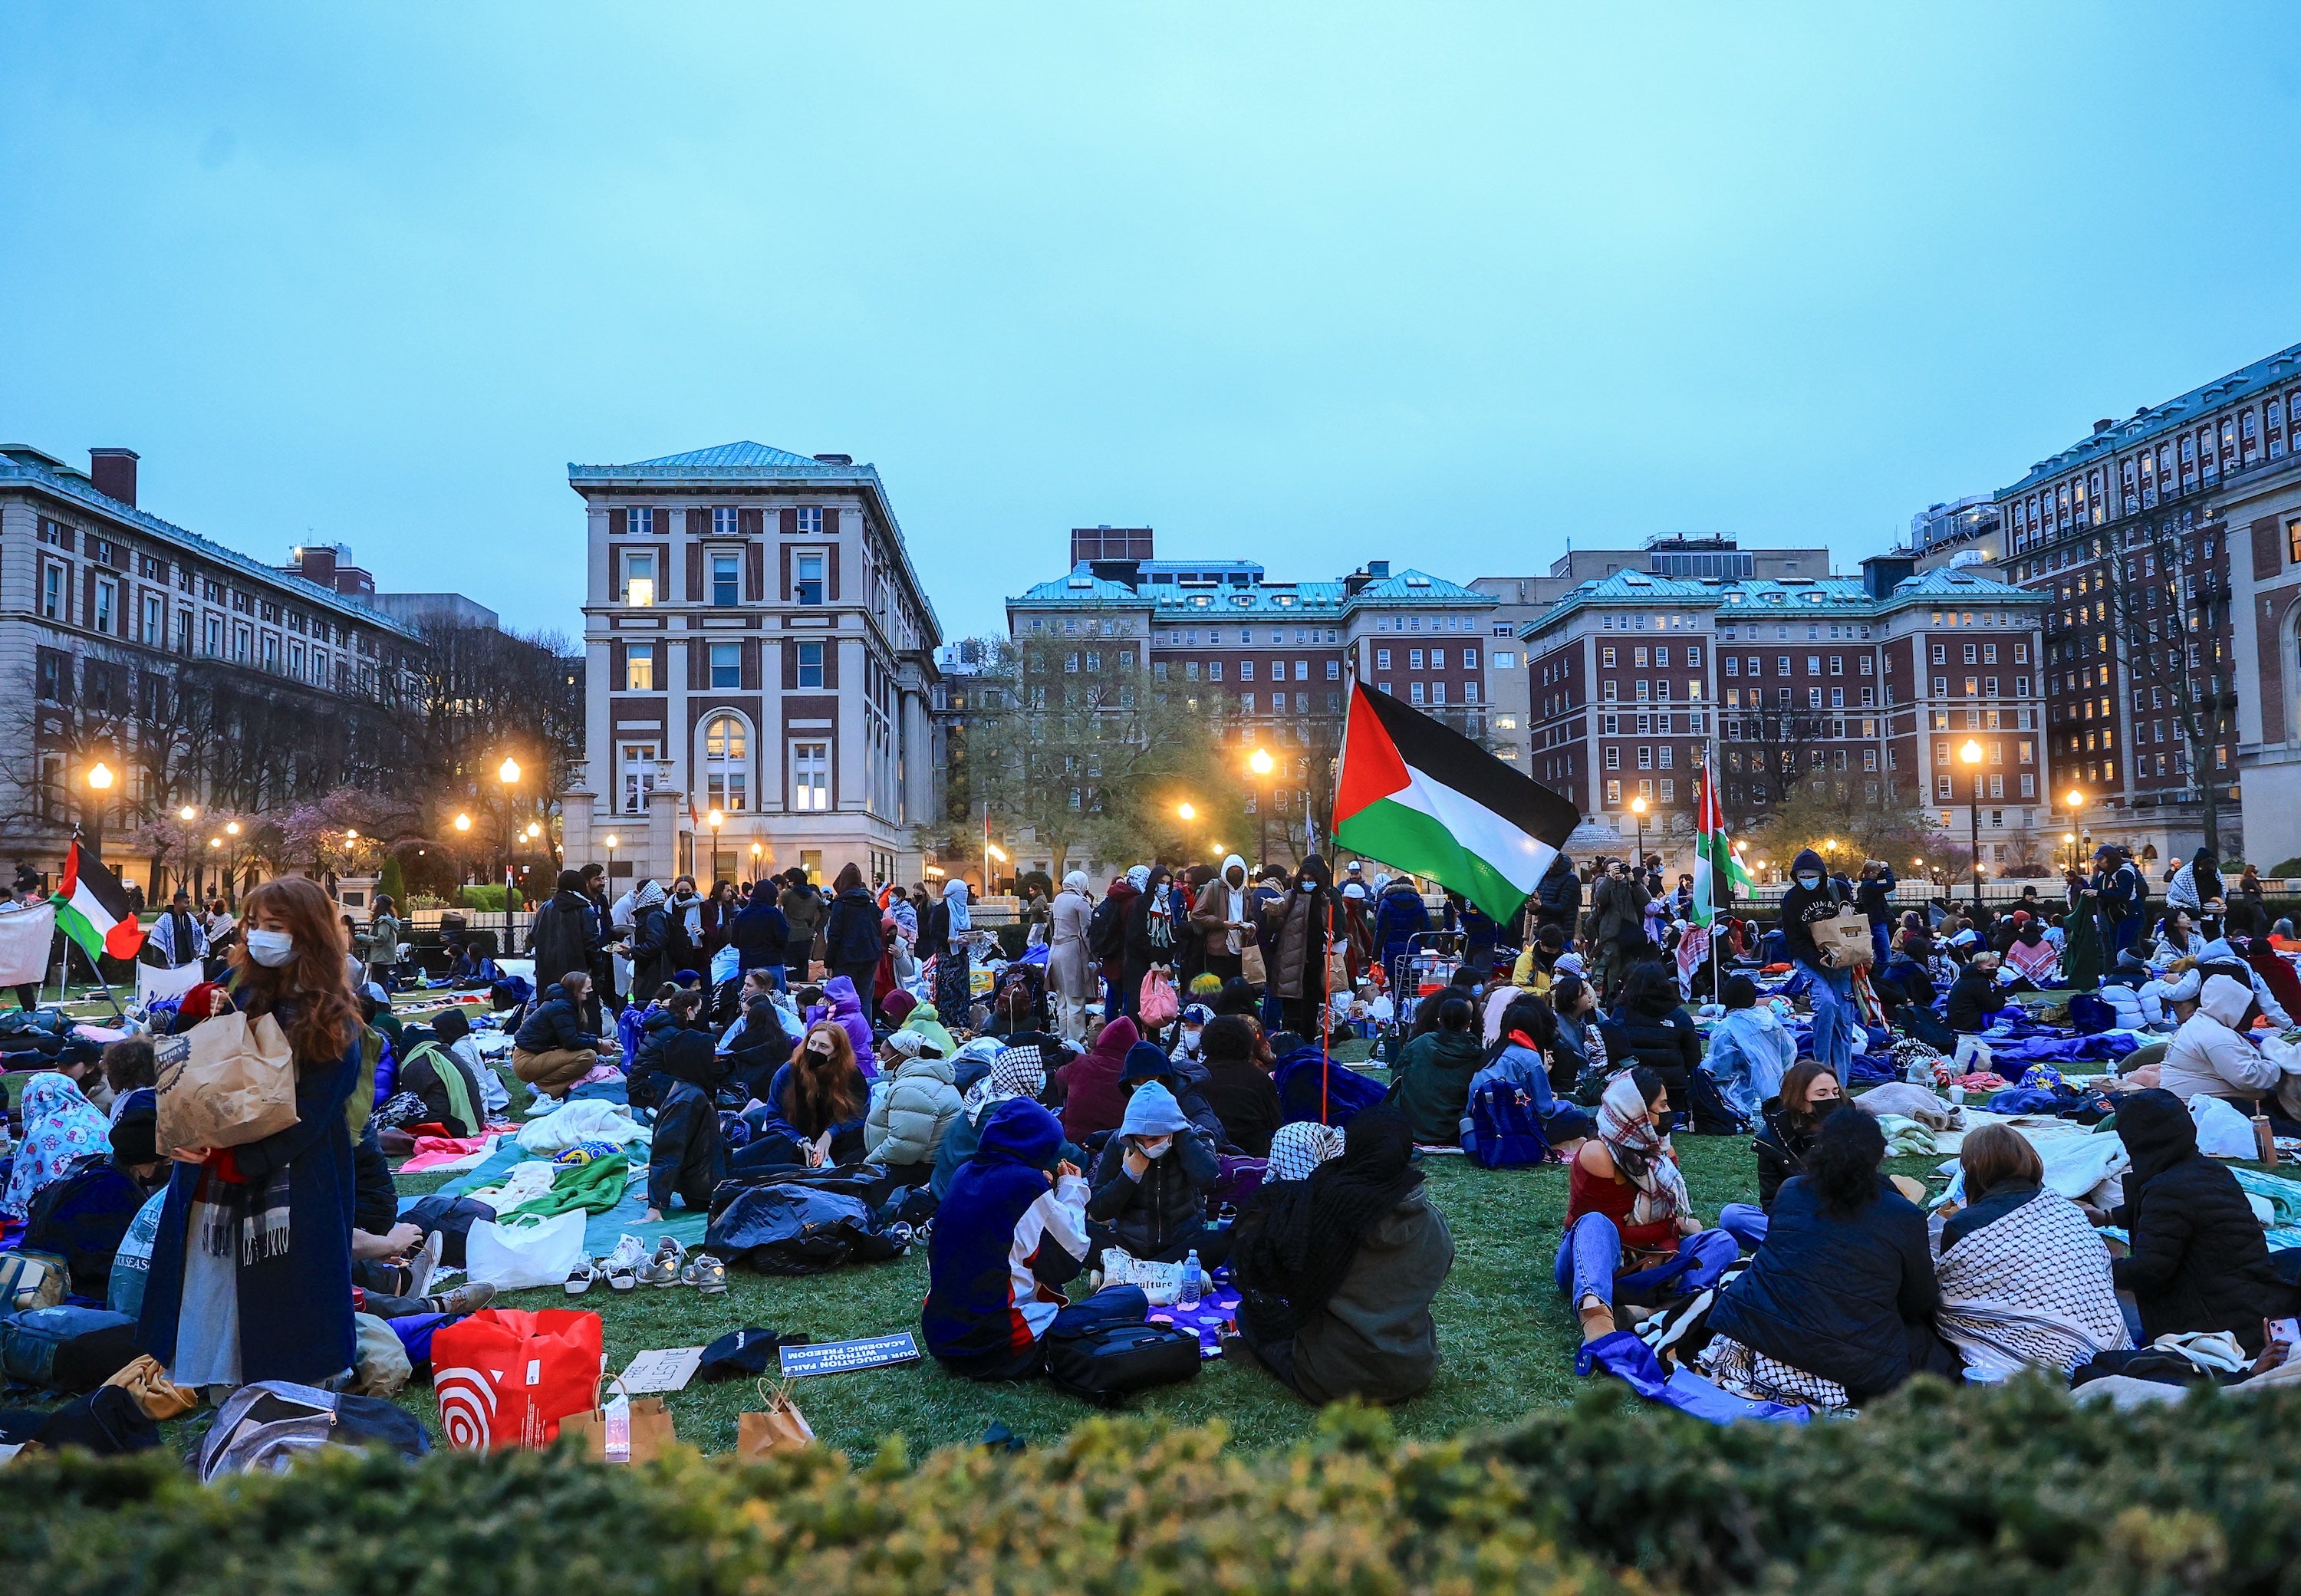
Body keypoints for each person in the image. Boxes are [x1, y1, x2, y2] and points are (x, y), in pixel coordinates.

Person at [137, 876, 363, 1390]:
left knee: (287, 1322)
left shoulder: (331, 1014)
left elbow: (316, 1110)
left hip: (290, 1191)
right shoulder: (234, 987)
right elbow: (192, 1073)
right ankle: (227, 1412)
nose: (260, 935)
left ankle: (286, 1418)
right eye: (254, 924)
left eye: (274, 926)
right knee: (212, 1306)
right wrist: (184, 1130)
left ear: (306, 933)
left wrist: (246, 1159)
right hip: (209, 1190)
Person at [1702, 1108, 1957, 1409]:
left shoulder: (1792, 1191)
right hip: (1848, 1359)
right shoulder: (1904, 1215)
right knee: (1940, 1359)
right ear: (1879, 1155)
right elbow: (1918, 1301)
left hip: (1760, 1332)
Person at [1227, 1104, 1453, 1404]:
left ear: (1352, 1148)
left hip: (1333, 1382)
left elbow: (1276, 1277)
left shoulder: (1321, 1212)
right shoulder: (1433, 1222)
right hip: (1412, 1372)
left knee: (1249, 1315)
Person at [2109, 1088, 2293, 1354]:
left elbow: (2149, 1270)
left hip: (2215, 1326)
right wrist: (2108, 1217)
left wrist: (2098, 1267)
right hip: (2252, 1303)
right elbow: (2173, 1219)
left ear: (2137, 1140)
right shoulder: (2209, 1171)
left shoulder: (2167, 1188)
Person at [920, 1097, 1090, 1380]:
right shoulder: (1026, 1184)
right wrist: (1072, 1190)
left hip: (942, 1341)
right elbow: (1069, 1261)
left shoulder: (964, 1173)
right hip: (1000, 1350)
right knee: (1126, 1300)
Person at [1555, 1070, 1722, 1342]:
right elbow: (1615, 1233)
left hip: (1652, 1261)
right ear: (1638, 1112)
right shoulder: (1599, 1154)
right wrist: (1673, 1225)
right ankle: (1597, 1318)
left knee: (1720, 1240)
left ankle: (1655, 1309)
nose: (1670, 1111)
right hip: (1596, 1263)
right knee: (1594, 1223)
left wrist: (1668, 1232)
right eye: (1663, 1105)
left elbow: (1660, 1228)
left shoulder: (1661, 1151)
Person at [1086, 1080, 1221, 1266]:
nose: (1148, 1146)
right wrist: (1129, 1175)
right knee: (1083, 1234)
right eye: (1141, 1140)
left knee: (1223, 1239)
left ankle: (1133, 1270)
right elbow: (1098, 1211)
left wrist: (1181, 1137)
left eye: (1155, 1139)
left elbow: (1208, 1179)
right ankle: (1161, 1271)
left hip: (1182, 1243)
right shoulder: (1119, 1143)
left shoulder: (1193, 1136)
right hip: (1130, 1244)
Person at [1461, 992, 1596, 1154]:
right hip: (1514, 1128)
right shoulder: (1530, 1058)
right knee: (1579, 1118)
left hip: (1484, 1128)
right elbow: (1545, 1111)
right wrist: (1567, 1104)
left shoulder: (1491, 1053)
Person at [933, 1042, 1055, 1200]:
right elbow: (1054, 1147)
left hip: (946, 1180)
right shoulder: (1009, 1108)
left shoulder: (986, 1092)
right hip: (963, 1191)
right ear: (1021, 1076)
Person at [1778, 847, 1858, 1081]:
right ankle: (1820, 1070)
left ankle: (1840, 1083)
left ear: (1822, 875)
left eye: (1812, 876)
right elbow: (1794, 940)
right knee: (1825, 1005)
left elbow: (1851, 923)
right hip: (1811, 961)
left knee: (1844, 1020)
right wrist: (1816, 958)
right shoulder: (1792, 900)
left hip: (1841, 961)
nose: (1807, 881)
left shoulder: (1838, 889)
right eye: (1802, 876)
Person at [640, 1032, 727, 1240]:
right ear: (698, 1060)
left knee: (774, 1147)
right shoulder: (689, 1098)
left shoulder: (694, 1090)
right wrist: (657, 1203)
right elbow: (668, 1150)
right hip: (707, 1190)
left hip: (712, 1173)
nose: (720, 1061)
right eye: (714, 1056)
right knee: (785, 1171)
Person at [749, 1020, 871, 1169]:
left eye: (823, 1046)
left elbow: (859, 1115)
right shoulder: (789, 1072)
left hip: (837, 1143)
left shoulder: (852, 1075)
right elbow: (775, 1116)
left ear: (837, 1052)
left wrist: (830, 1134)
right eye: (812, 1043)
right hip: (796, 1140)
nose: (815, 1050)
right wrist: (800, 1141)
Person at [1598, 960, 1704, 1122]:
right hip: (1672, 1089)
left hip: (1632, 1087)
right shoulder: (1679, 1015)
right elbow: (1693, 1056)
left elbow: (1613, 1049)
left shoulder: (1622, 1012)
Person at [1, 1071, 111, 1221]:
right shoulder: (97, 1117)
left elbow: (23, 1189)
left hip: (61, 1210)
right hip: (108, 1197)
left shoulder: (41, 1134)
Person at [865, 1028, 963, 1186]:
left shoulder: (912, 1089)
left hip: (917, 1171)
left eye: (883, 1056)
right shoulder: (924, 1080)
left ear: (900, 1058)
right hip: (923, 1165)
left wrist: (866, 1164)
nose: (879, 1061)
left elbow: (902, 1148)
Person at [1390, 995, 1486, 1147]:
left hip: (1414, 1127)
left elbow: (1396, 1079)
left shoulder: (1419, 1044)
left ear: (1439, 1021)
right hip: (1456, 1130)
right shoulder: (1477, 1054)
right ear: (1469, 1023)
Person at [1260, 856, 1337, 1038]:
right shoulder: (1291, 897)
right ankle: (1290, 1041)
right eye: (1304, 880)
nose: (1307, 883)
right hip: (1292, 959)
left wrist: (1330, 933)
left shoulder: (1323, 900)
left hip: (1314, 960)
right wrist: (1272, 914)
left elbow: (1330, 925)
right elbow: (1275, 926)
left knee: (1310, 1006)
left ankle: (1308, 1041)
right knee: (1292, 1007)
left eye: (1311, 880)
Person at [1703, 976, 1795, 1124]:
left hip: (1742, 1098)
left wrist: (1704, 1067)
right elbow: (1789, 1055)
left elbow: (1720, 1070)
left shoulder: (1725, 1029)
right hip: (1777, 1093)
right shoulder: (1770, 1021)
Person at [510, 971, 608, 1100]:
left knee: (588, 1055)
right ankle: (542, 1087)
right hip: (527, 1060)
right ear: (577, 989)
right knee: (588, 1056)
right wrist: (598, 1044)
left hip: (533, 1055)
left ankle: (546, 1087)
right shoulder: (561, 1007)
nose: (590, 991)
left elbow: (571, 1034)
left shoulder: (563, 1004)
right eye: (588, 988)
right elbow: (571, 1042)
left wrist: (597, 1040)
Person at [1195, 1013, 1282, 1157]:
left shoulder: (1195, 1077)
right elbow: (1276, 1122)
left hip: (1205, 1153)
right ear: (1247, 1044)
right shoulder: (1259, 1079)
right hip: (1253, 1158)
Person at [395, 1019, 490, 1138]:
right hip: (475, 1120)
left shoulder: (417, 1064)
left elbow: (407, 1104)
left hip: (448, 1126)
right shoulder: (453, 1055)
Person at [1053, 1015, 1137, 1143]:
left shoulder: (1080, 1064)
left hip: (1076, 1145)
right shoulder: (1137, 1075)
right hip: (1119, 1146)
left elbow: (1059, 1082)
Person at [821, 864, 884, 1021]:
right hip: (870, 957)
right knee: (864, 1001)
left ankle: (845, 1038)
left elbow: (834, 935)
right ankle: (864, 1038)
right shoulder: (870, 903)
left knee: (843, 1002)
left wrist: (828, 962)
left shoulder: (841, 904)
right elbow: (877, 929)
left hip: (846, 958)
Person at [527, 870, 602, 994]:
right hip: (577, 975)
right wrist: (599, 973)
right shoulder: (584, 910)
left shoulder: (545, 908)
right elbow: (592, 945)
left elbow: (533, 937)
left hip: (546, 973)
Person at [1189, 855, 1256, 989]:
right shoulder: (1214, 887)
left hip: (1241, 949)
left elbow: (1250, 916)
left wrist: (1252, 926)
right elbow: (1197, 914)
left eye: (1239, 871)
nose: (1236, 874)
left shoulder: (1246, 892)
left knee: (1236, 988)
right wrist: (1222, 924)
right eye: (1232, 870)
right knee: (1218, 988)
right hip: (1218, 949)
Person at [1048, 870, 1098, 1042]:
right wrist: (1094, 955)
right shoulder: (1080, 902)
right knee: (1075, 1002)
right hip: (1073, 954)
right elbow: (1087, 932)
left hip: (1055, 952)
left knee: (1061, 1001)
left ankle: (1063, 1039)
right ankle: (1076, 1041)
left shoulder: (1059, 899)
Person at [1944, 949, 2010, 1075]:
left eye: (1995, 966)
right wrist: (2000, 988)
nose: (1994, 969)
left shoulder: (1968, 978)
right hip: (1967, 1023)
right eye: (1990, 966)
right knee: (2011, 1012)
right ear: (1979, 966)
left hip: (1958, 1020)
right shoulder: (1979, 982)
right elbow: (1994, 1005)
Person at [922, 877, 975, 1026]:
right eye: (962, 892)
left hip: (962, 955)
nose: (965, 895)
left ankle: (962, 1020)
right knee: (948, 989)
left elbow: (967, 929)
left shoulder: (963, 910)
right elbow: (934, 933)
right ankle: (947, 1021)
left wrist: (972, 937)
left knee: (962, 989)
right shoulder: (942, 910)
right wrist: (953, 940)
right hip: (947, 956)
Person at [727, 878, 791, 990]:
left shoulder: (742, 915)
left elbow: (734, 942)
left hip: (747, 965)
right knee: (775, 1003)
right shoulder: (774, 914)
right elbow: (784, 938)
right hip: (772, 963)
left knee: (747, 1003)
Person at [1372, 873, 1431, 982]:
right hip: (1413, 950)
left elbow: (1380, 931)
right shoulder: (1418, 903)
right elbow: (1427, 929)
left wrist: (1376, 956)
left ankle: (1398, 1000)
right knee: (1412, 986)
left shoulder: (1386, 903)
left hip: (1392, 951)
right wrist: (1422, 943)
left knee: (1396, 984)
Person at [625, 880, 673, 997]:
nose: (635, 896)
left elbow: (654, 945)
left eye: (638, 893)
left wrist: (632, 950)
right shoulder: (654, 913)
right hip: (652, 971)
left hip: (653, 974)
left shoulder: (653, 916)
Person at [142, 888, 209, 971]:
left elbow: (199, 936)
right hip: (170, 966)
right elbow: (157, 943)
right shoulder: (163, 921)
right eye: (186, 903)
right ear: (177, 903)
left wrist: (205, 925)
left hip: (189, 964)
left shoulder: (191, 919)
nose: (188, 905)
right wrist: (161, 964)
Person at [778, 869, 824, 986]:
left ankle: (791, 991)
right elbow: (826, 912)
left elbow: (776, 905)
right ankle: (803, 990)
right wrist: (817, 928)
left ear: (791, 882)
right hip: (807, 935)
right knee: (803, 966)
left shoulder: (787, 895)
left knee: (790, 968)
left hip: (790, 935)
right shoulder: (814, 896)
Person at [1533, 852, 1581, 947]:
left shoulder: (1571, 879)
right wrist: (1533, 907)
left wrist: (1540, 906)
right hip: (1542, 933)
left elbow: (1562, 907)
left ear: (1556, 859)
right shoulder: (1544, 876)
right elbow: (1540, 907)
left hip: (1561, 936)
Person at [2002, 913, 2061, 987]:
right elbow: (2052, 961)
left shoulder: (2017, 944)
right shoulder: (2044, 944)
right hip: (2043, 980)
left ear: (2024, 929)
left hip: (2022, 979)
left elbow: (2010, 961)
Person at [364, 895, 404, 992]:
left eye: (374, 902)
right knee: (383, 981)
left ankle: (382, 1004)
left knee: (380, 983)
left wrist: (365, 938)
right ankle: (385, 1004)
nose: (372, 904)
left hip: (381, 956)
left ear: (379, 905)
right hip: (383, 956)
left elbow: (381, 938)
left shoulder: (384, 920)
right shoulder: (387, 918)